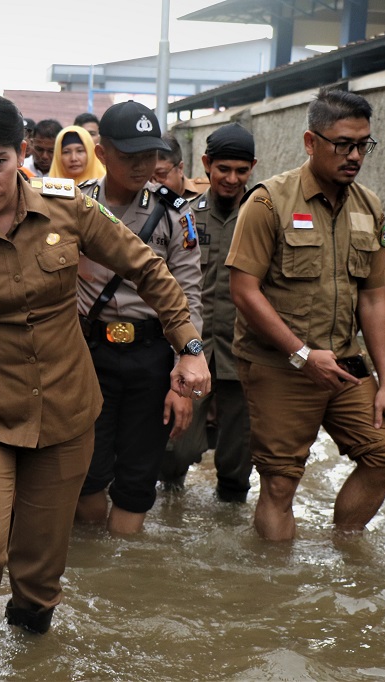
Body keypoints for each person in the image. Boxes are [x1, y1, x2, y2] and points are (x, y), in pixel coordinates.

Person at [0, 91, 209, 641]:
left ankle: (29, 656)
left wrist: (189, 348)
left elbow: (151, 270)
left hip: (65, 410)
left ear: (21, 155)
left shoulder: (70, 207)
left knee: (40, 567)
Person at [227, 88, 385, 541]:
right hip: (280, 363)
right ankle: (278, 592)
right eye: (342, 144)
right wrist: (303, 355)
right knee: (281, 483)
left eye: (363, 144)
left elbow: (373, 300)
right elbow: (244, 292)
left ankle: (342, 552)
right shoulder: (268, 202)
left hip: (344, 362)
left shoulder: (370, 207)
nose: (355, 156)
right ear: (311, 142)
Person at [74, 101, 204, 535]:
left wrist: (182, 379)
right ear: (102, 151)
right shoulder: (75, 205)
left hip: (151, 361)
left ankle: (122, 567)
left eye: (148, 156)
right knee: (85, 474)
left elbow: (189, 298)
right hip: (88, 355)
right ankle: (93, 561)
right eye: (128, 156)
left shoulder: (174, 212)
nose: (141, 166)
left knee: (136, 479)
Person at [159, 123, 257, 502]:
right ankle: (171, 506)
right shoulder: (183, 216)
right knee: (174, 450)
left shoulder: (262, 216)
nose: (231, 179)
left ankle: (231, 524)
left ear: (252, 168)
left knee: (237, 460)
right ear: (206, 165)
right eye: (223, 170)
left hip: (243, 353)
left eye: (241, 171)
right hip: (190, 351)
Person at [154, 132, 206, 200]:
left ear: (180, 168)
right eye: (148, 178)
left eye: (161, 174)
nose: (153, 184)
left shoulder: (206, 193)